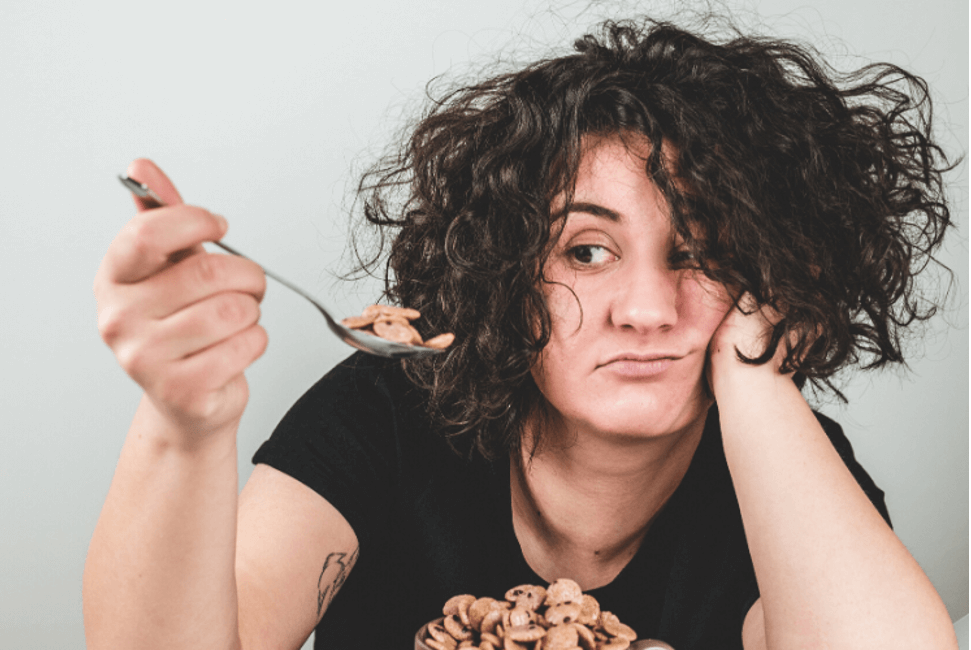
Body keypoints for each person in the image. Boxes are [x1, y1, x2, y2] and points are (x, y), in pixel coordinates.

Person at [83, 17, 959, 650]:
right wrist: (181, 426)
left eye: (700, 252)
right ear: (503, 271)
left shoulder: (785, 466)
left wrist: (761, 378)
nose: (646, 309)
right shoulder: (385, 414)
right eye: (585, 250)